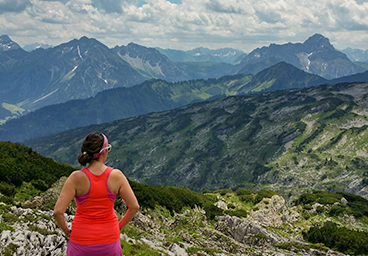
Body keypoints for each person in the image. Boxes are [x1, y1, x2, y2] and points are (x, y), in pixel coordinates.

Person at [53, 131, 140, 256]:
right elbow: (134, 207)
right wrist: (118, 227)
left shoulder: (76, 178)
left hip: (80, 241)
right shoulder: (117, 176)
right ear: (104, 152)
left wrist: (68, 233)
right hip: (109, 240)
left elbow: (58, 212)